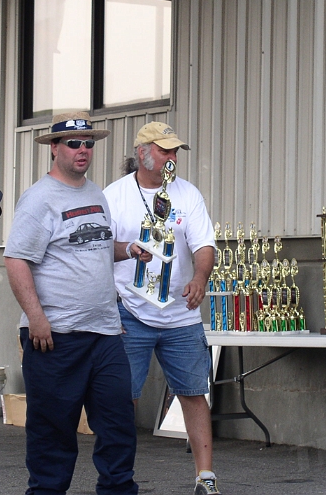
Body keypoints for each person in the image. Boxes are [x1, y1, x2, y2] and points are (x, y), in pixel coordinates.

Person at [4, 111, 138, 495]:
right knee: (52, 436)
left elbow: (92, 244)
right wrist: (36, 318)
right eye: (74, 144)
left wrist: (128, 249)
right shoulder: (39, 199)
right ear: (54, 148)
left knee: (118, 427)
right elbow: (16, 259)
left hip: (105, 333)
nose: (83, 151)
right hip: (56, 337)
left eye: (89, 144)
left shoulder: (96, 194)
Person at [103, 122, 218, 495]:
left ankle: (206, 477)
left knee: (193, 392)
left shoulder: (188, 194)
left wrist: (200, 277)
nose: (172, 158)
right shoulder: (114, 195)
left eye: (175, 152)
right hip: (130, 311)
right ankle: (118, 478)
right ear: (142, 153)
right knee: (124, 397)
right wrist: (128, 251)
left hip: (180, 313)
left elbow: (204, 245)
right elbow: (99, 249)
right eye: (165, 151)